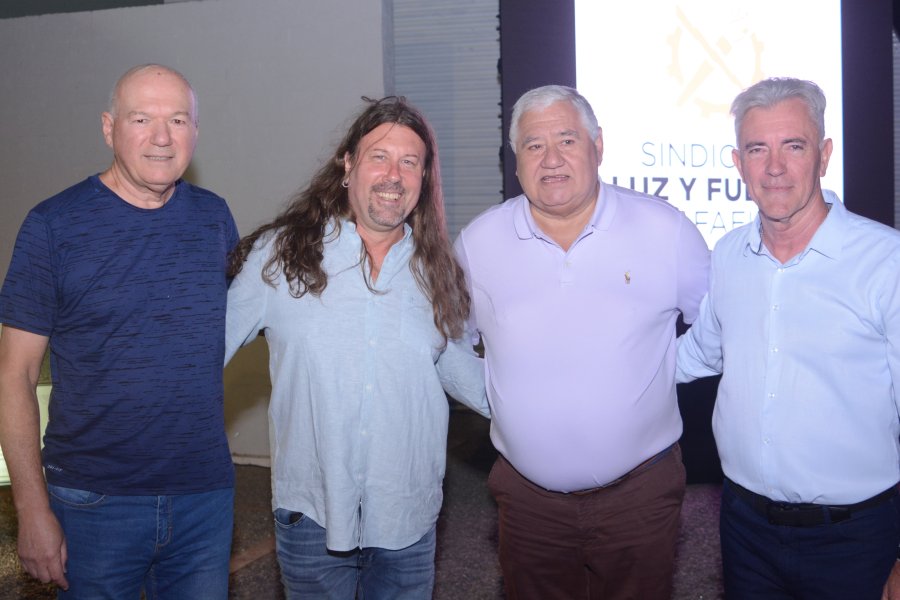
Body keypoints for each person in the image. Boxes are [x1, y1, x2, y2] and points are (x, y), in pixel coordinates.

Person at [225, 95, 488, 599]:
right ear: (347, 166)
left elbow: (463, 374)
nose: (394, 174)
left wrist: (549, 410)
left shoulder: (435, 270)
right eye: (379, 157)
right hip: (312, 515)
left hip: (407, 517)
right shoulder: (282, 255)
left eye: (410, 162)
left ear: (424, 178)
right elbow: (200, 353)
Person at [454, 84, 710, 599]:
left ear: (598, 146)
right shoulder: (477, 245)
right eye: (533, 145)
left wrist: (661, 374)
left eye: (567, 140)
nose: (551, 159)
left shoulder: (666, 230)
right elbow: (448, 343)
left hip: (640, 494)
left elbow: (718, 327)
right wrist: (497, 401)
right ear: (517, 159)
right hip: (528, 503)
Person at [0, 64, 238, 598]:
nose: (161, 137)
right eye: (141, 119)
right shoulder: (52, 227)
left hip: (204, 499)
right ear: (109, 128)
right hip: (92, 504)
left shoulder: (214, 218)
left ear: (195, 133)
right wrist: (30, 510)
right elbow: (12, 375)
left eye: (178, 120)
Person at [676, 77, 900, 600]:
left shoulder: (885, 263)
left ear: (823, 155)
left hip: (856, 538)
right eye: (758, 149)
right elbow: (696, 355)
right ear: (738, 163)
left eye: (793, 146)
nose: (774, 167)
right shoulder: (729, 254)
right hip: (744, 528)